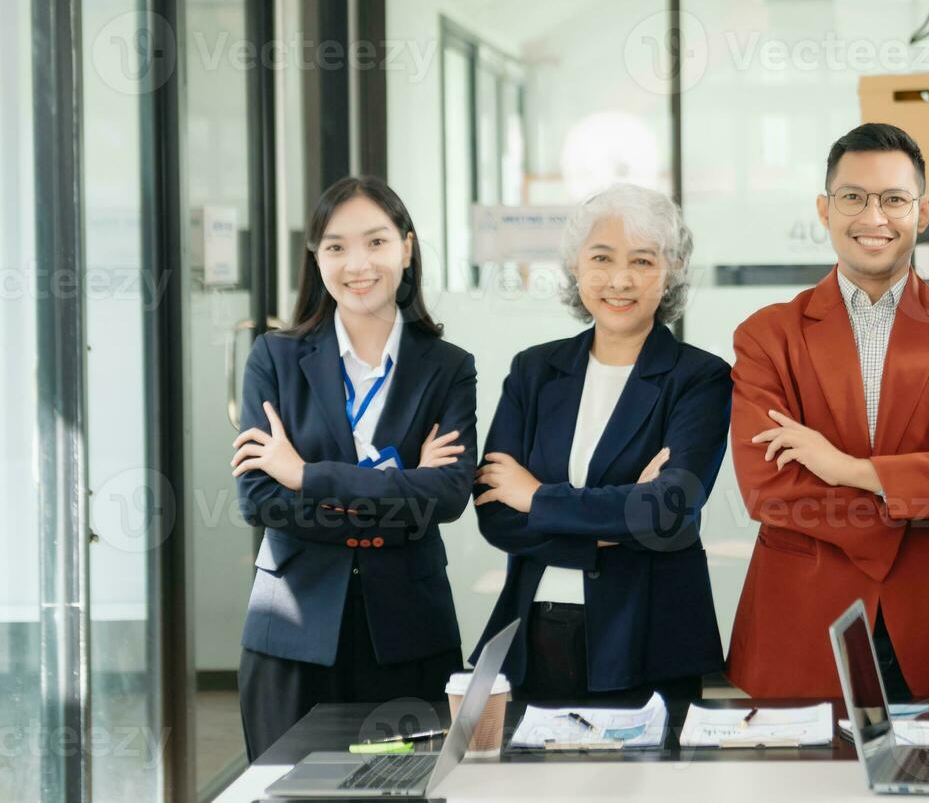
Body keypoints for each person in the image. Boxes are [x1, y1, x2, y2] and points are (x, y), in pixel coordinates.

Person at [726, 123, 929, 700]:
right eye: (853, 198)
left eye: (894, 199)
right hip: (809, 626)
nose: (874, 217)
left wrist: (848, 469)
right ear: (824, 208)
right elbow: (769, 487)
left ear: (924, 212)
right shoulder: (768, 336)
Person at [232, 176, 476, 759]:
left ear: (406, 249)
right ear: (316, 258)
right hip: (292, 631)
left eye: (375, 242)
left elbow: (444, 498)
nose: (357, 263)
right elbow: (259, 500)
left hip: (409, 633)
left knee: (407, 793)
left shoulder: (447, 367)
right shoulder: (275, 358)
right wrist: (398, 489)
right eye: (336, 247)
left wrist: (307, 475)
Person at [471, 183, 731, 702]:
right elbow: (496, 513)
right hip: (536, 633)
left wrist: (537, 498)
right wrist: (613, 524)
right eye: (601, 258)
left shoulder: (700, 378)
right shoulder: (535, 370)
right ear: (574, 266)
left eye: (642, 261)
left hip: (652, 639)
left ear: (672, 269)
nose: (619, 280)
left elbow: (667, 512)